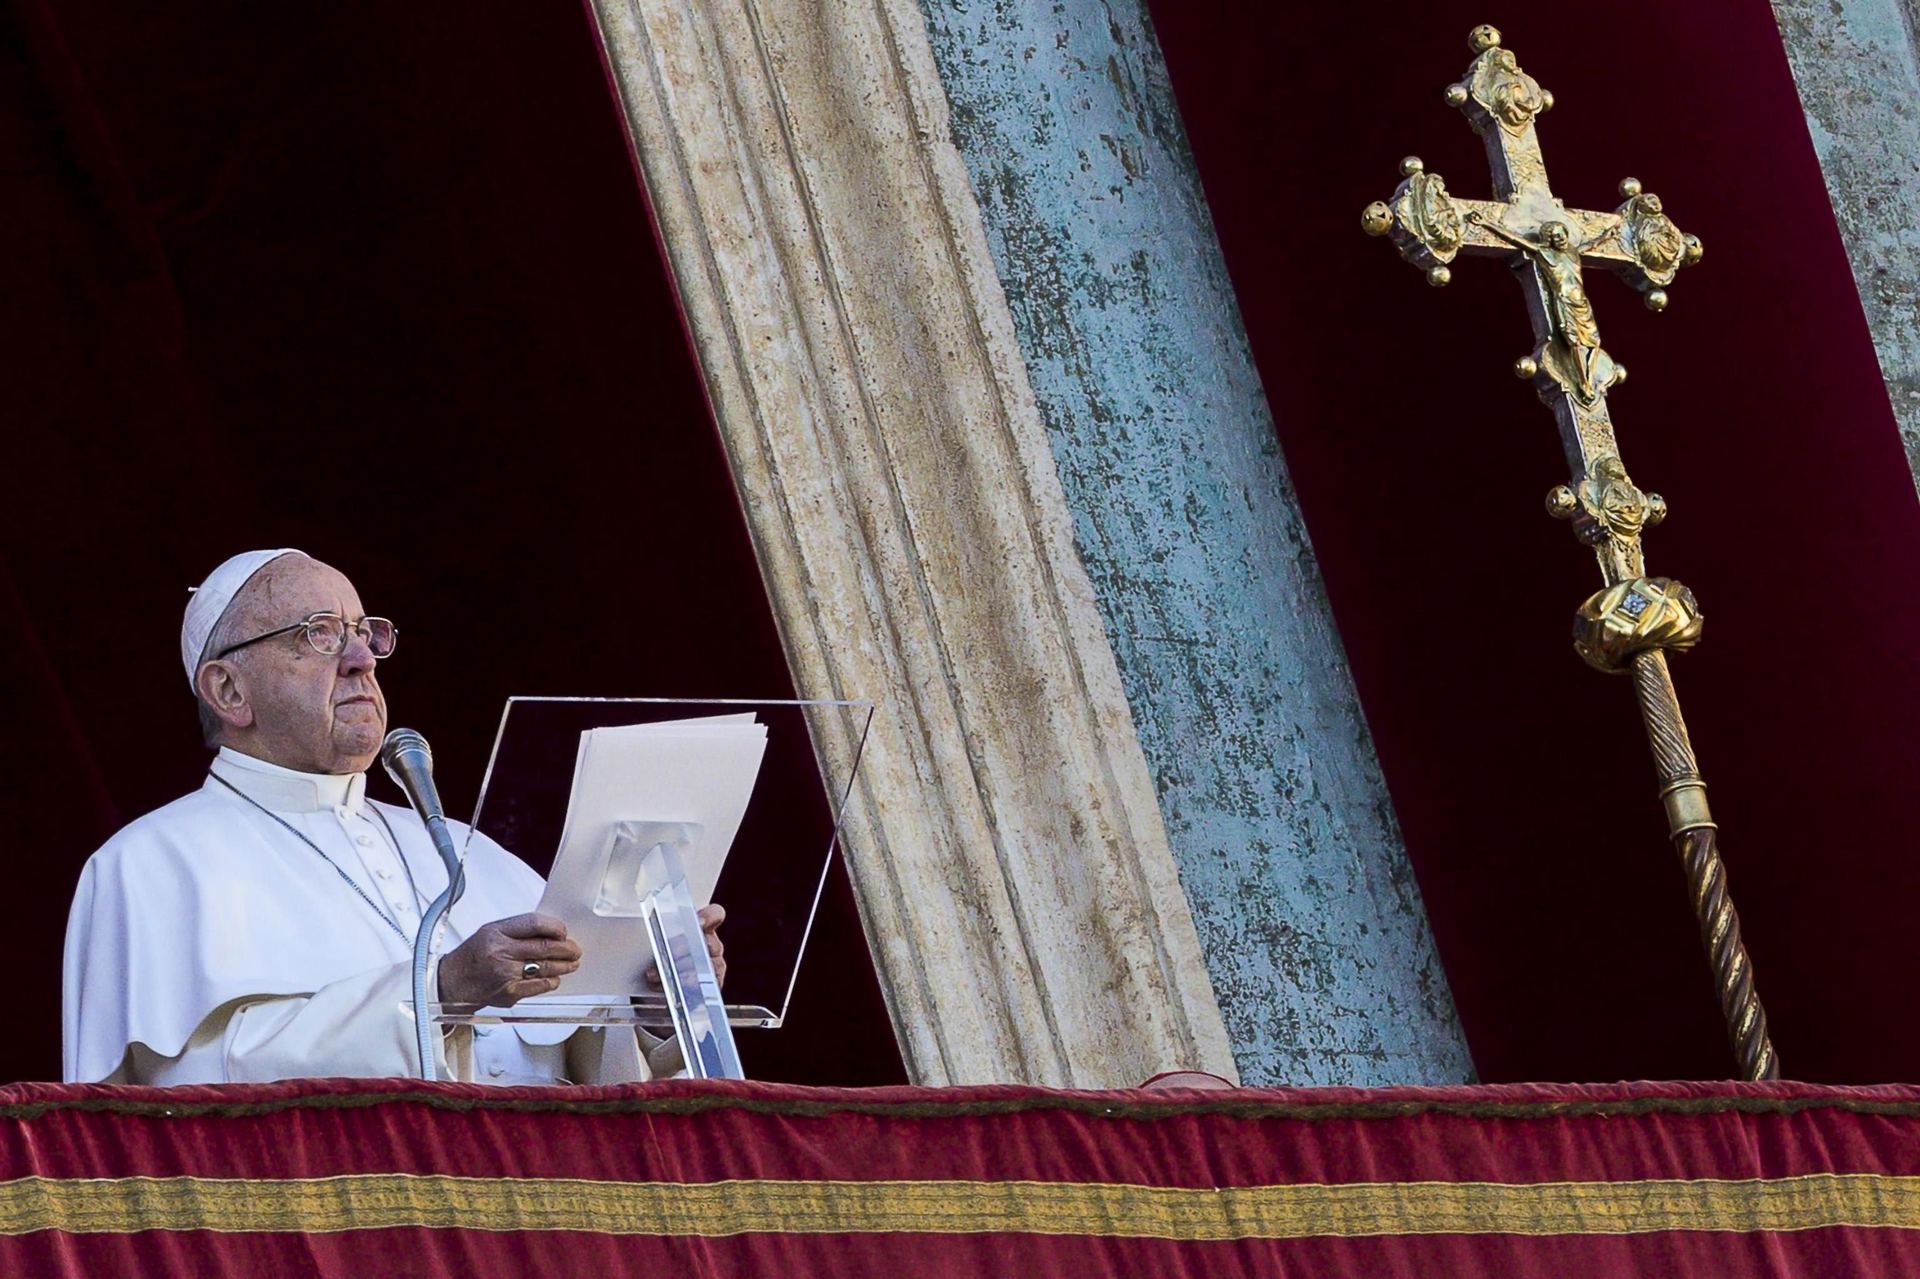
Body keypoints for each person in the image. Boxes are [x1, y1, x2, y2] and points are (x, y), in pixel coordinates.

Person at [62, 548, 725, 1085]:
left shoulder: (469, 854)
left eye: (363, 633)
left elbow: (576, 1072)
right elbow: (190, 1093)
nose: (360, 659)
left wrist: (649, 1010)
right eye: (316, 635)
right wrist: (440, 990)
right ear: (229, 689)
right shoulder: (150, 864)